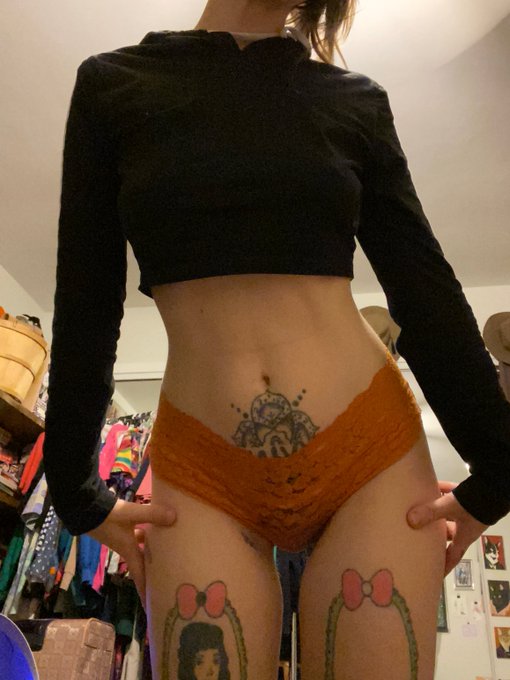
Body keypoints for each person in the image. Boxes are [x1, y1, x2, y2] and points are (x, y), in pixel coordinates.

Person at [42, 0, 510, 678]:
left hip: (369, 454)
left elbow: (422, 285)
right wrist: (73, 489)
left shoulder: (353, 101)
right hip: (203, 471)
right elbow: (86, 294)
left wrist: (499, 468)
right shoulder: (113, 86)